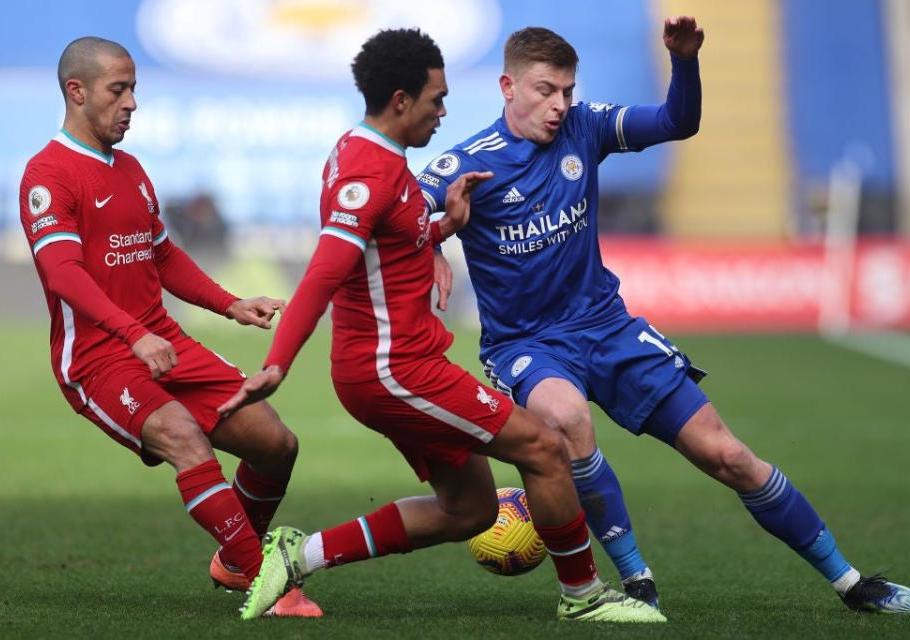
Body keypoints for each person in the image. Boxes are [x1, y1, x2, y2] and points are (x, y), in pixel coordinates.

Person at [417, 19, 910, 615]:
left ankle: (850, 581)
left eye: (567, 91)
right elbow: (395, 215)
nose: (559, 105)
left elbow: (677, 121)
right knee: (567, 417)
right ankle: (637, 585)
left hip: (608, 326)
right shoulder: (467, 163)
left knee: (729, 456)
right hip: (528, 345)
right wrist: (431, 238)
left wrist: (685, 62)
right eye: (545, 90)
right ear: (507, 86)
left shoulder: (586, 127)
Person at [218, 28, 665, 624]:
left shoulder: (374, 155)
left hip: (403, 365)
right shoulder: (369, 175)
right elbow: (324, 273)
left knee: (471, 509)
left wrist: (444, 226)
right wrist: (277, 363)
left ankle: (299, 554)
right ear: (401, 101)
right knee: (544, 447)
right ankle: (583, 596)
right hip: (394, 370)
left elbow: (394, 237)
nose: (445, 110)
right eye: (437, 99)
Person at [18, 36, 320, 618]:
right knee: (184, 437)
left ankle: (234, 560)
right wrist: (133, 334)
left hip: (165, 342)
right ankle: (263, 578)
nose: (132, 102)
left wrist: (229, 303)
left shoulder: (131, 169)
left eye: (134, 89)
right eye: (119, 90)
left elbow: (163, 256)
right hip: (100, 358)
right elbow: (62, 274)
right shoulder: (47, 174)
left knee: (275, 443)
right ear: (76, 92)